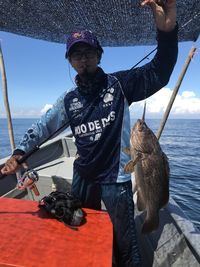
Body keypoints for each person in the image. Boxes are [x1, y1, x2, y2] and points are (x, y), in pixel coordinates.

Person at [1, 0, 178, 266]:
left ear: (99, 55)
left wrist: (166, 32)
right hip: (84, 177)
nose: (83, 58)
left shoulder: (121, 84)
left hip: (115, 179)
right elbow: (41, 128)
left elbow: (160, 71)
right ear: (70, 61)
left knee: (125, 244)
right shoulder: (68, 101)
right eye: (76, 54)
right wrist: (18, 153)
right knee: (83, 231)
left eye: (88, 52)